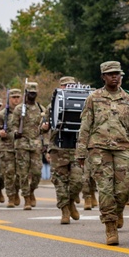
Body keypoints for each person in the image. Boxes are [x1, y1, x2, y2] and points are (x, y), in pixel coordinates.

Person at [76, 61, 129, 246]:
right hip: (99, 149)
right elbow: (85, 126)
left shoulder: (128, 98)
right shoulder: (94, 98)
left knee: (125, 188)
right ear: (103, 77)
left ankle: (117, 211)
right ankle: (110, 226)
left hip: (124, 148)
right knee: (106, 189)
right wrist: (81, 152)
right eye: (110, 74)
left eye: (117, 73)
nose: (114, 76)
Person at [47, 76, 84, 224]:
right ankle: (65, 210)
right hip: (58, 148)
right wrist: (44, 126)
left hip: (76, 148)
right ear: (60, 87)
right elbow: (42, 125)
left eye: (72, 85)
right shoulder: (52, 106)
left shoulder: (83, 103)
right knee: (60, 182)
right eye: (65, 85)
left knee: (78, 180)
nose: (69, 88)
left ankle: (70, 202)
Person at [8, 82, 47, 210]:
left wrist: (45, 140)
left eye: (34, 93)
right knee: (22, 173)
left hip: (36, 144)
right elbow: (12, 125)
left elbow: (45, 128)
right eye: (30, 93)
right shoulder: (19, 109)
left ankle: (31, 191)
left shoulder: (41, 109)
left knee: (37, 173)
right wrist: (15, 132)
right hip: (22, 144)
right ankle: (26, 198)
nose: (32, 95)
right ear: (26, 93)